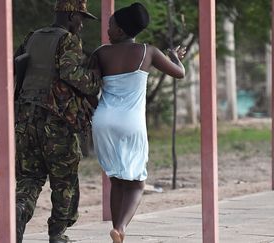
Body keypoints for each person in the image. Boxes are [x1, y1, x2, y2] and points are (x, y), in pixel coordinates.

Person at [91, 3, 186, 243]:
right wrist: (175, 57)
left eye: (111, 26)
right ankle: (121, 227)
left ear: (121, 31)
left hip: (102, 120)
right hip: (131, 122)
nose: (107, 30)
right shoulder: (148, 51)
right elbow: (179, 73)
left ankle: (116, 230)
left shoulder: (101, 53)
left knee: (116, 180)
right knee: (137, 183)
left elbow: (88, 84)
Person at [11, 1, 100, 242]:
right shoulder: (68, 40)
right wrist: (95, 79)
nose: (81, 25)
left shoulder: (33, 37)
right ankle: (57, 233)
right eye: (81, 18)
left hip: (24, 119)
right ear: (71, 15)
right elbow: (70, 73)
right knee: (64, 177)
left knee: (30, 176)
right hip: (55, 121)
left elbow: (15, 69)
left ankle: (19, 212)